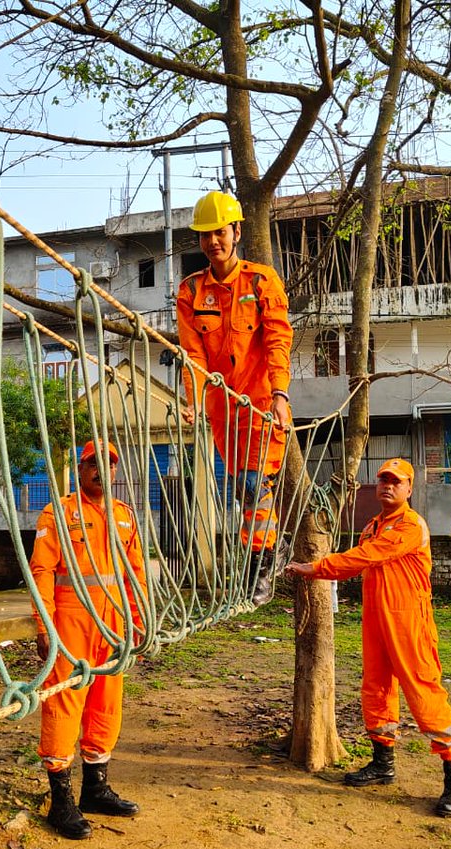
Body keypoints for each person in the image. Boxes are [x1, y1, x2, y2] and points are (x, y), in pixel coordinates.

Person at [285, 458, 451, 817]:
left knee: (424, 694)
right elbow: (366, 557)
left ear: (409, 489)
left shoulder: (410, 526)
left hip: (410, 625)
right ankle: (383, 763)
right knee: (377, 690)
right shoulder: (372, 525)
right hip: (376, 622)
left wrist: (314, 568)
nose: (388, 485)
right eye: (383, 479)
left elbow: (365, 557)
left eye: (396, 481)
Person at [176, 189, 294, 605]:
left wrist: (280, 393)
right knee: (246, 488)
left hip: (262, 403)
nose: (213, 242)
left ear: (236, 232)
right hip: (223, 410)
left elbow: (279, 337)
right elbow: (192, 354)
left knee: (252, 484)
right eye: (205, 235)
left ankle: (260, 563)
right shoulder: (190, 291)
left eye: (220, 232)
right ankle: (268, 551)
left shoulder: (261, 280)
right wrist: (191, 399)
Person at [30, 439, 145, 840]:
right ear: (80, 470)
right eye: (93, 463)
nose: (102, 470)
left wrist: (138, 621)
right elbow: (41, 570)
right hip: (70, 621)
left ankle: (95, 789)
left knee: (105, 705)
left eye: (109, 464)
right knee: (64, 703)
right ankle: (60, 800)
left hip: (112, 625)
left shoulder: (124, 516)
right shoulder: (58, 513)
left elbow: (134, 573)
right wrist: (44, 624)